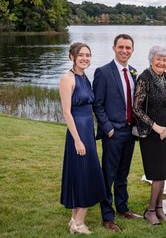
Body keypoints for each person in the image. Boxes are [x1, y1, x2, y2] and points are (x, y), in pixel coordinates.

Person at [93, 34, 141, 232]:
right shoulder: (103, 72)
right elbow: (98, 104)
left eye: (128, 47)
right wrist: (109, 129)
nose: (124, 51)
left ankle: (123, 208)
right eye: (121, 47)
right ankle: (108, 216)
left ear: (132, 50)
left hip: (130, 132)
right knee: (109, 175)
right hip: (113, 133)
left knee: (123, 173)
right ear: (114, 48)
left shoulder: (133, 72)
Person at [59, 42, 106, 234]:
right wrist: (77, 140)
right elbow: (66, 112)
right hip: (78, 132)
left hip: (88, 130)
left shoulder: (84, 77)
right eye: (81, 55)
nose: (85, 58)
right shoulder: (67, 78)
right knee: (88, 174)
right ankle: (79, 223)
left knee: (82, 173)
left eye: (88, 55)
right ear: (72, 57)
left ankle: (74, 220)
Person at [133, 45, 166, 225]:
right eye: (158, 59)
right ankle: (150, 210)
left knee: (165, 171)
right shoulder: (144, 78)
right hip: (152, 132)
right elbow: (136, 108)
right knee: (157, 172)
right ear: (151, 59)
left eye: (165, 60)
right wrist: (155, 126)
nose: (161, 62)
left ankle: (159, 208)